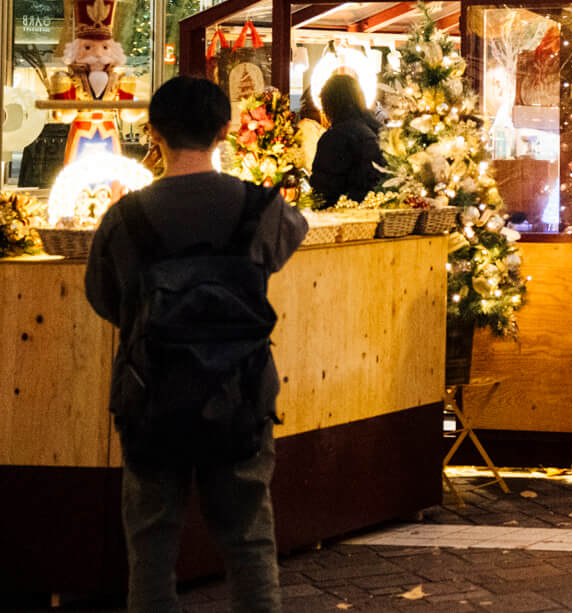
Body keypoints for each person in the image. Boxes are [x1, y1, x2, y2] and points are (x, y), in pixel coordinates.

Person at [85, 76, 308, 613]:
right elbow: (284, 247)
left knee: (151, 547)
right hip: (240, 393)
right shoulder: (263, 210)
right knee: (249, 541)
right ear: (225, 130)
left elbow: (105, 300)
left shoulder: (125, 217)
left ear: (154, 132)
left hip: (149, 394)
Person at [308, 72, 383, 206]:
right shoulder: (377, 130)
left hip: (344, 215)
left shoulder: (335, 138)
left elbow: (322, 191)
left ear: (330, 103)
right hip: (375, 210)